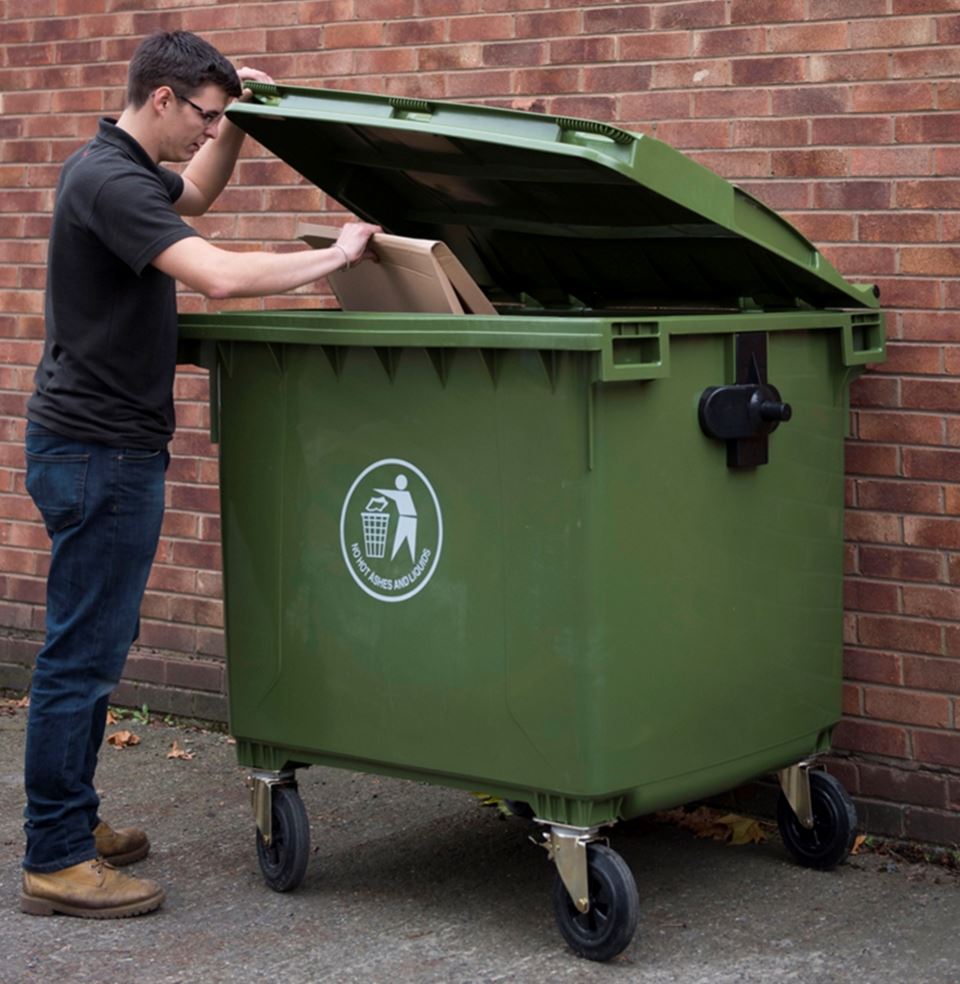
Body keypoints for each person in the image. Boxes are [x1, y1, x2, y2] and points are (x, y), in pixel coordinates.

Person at [21, 29, 379, 919]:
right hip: (98, 452)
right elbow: (215, 275)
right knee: (81, 658)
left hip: (100, 445)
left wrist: (242, 127)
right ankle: (57, 855)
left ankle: (70, 820)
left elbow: (200, 197)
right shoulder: (109, 181)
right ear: (162, 98)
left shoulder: (126, 172)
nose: (207, 131)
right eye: (205, 116)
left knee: (93, 649)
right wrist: (333, 259)